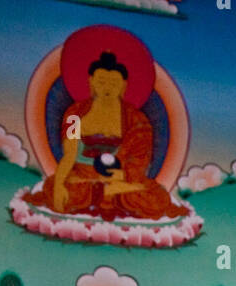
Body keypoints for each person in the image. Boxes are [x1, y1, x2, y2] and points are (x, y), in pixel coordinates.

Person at [26, 50, 187, 222]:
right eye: (101, 81)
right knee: (55, 188)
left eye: (113, 83)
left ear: (124, 85)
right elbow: (70, 155)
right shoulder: (75, 114)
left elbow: (139, 161)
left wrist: (116, 177)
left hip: (120, 179)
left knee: (155, 198)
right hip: (84, 178)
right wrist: (59, 185)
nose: (107, 88)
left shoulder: (136, 120)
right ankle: (106, 194)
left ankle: (107, 192)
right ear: (91, 81)